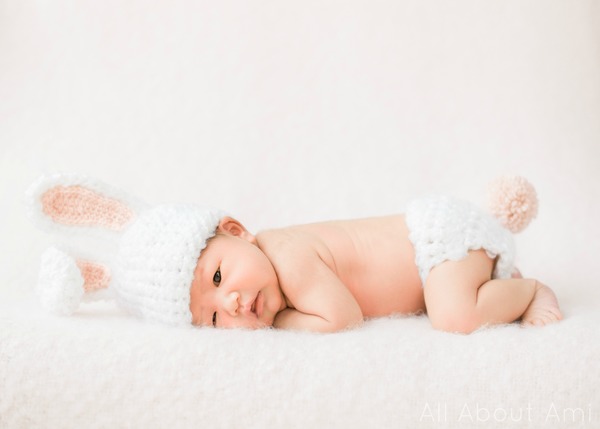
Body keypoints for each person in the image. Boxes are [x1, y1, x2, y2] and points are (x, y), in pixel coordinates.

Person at [28, 174, 562, 334]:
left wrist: (281, 321)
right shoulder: (267, 269)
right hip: (441, 263)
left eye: (217, 275)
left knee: (454, 315)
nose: (231, 302)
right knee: (447, 302)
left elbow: (342, 317)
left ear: (236, 230)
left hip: (441, 239)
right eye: (211, 317)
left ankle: (527, 288)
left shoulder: (285, 254)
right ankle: (494, 279)